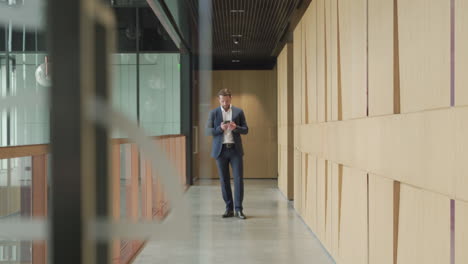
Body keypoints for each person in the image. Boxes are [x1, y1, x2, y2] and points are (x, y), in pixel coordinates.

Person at [206, 88, 249, 219]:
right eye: (222, 101)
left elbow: (246, 130)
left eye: (227, 100)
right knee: (224, 181)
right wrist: (220, 128)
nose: (224, 103)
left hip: (235, 150)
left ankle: (239, 209)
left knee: (238, 180)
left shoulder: (238, 112)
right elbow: (208, 131)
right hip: (221, 151)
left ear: (230, 98)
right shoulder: (213, 113)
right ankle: (229, 208)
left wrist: (236, 128)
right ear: (219, 100)